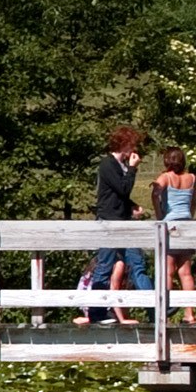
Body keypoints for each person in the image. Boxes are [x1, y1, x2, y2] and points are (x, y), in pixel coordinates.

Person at [76, 126, 143, 326]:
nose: (133, 149)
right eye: (131, 145)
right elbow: (123, 188)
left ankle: (108, 311)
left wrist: (131, 206)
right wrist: (133, 169)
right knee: (104, 266)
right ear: (123, 144)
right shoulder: (108, 164)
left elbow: (119, 195)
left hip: (120, 221)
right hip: (109, 221)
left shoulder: (119, 165)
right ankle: (96, 312)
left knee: (127, 265)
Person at [152, 145, 196, 324]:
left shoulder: (166, 177)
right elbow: (194, 201)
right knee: (186, 272)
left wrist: (159, 215)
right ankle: (190, 313)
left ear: (167, 160)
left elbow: (155, 193)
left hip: (170, 225)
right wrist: (190, 214)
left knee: (168, 271)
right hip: (186, 224)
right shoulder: (192, 178)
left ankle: (165, 313)